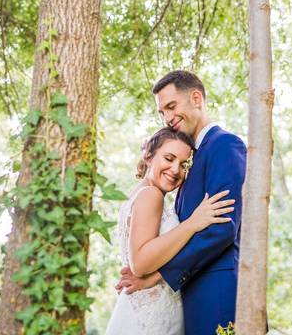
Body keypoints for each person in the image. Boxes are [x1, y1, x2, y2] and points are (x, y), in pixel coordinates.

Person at [116, 70, 247, 335]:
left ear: (196, 98)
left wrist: (158, 276)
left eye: (172, 106)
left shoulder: (225, 145)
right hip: (188, 298)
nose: (168, 117)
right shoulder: (187, 163)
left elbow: (221, 228)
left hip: (217, 293)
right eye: (162, 112)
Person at [104, 126, 234, 334]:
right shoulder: (151, 195)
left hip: (145, 306)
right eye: (169, 158)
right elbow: (140, 263)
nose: (175, 170)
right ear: (148, 156)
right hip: (152, 313)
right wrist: (192, 223)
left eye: (183, 164)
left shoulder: (138, 193)